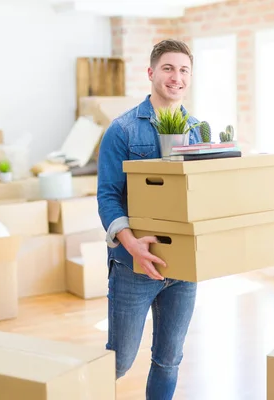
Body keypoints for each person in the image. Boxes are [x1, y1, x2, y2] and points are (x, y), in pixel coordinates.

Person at [96, 39, 202, 399]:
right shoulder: (122, 130)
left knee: (169, 360)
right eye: (168, 68)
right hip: (133, 267)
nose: (177, 77)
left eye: (184, 69)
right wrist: (131, 245)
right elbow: (108, 197)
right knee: (120, 361)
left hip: (183, 269)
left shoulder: (198, 130)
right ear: (151, 72)